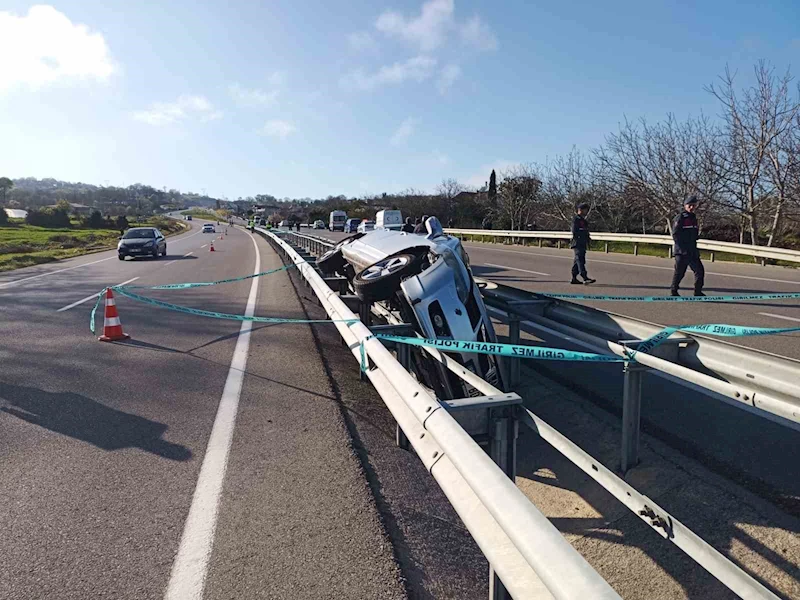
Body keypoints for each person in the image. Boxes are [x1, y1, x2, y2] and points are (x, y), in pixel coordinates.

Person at [670, 195, 704, 297]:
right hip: (682, 251)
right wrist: (681, 247)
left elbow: (693, 233)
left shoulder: (693, 218)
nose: (692, 207)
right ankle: (674, 290)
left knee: (700, 271)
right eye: (690, 205)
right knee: (680, 272)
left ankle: (697, 292)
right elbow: (675, 234)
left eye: (694, 205)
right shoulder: (680, 217)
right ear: (685, 206)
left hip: (692, 250)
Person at [570, 203, 596, 284]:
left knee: (577, 261)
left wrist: (588, 239)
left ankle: (574, 278)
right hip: (577, 243)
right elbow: (574, 231)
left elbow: (586, 231)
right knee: (580, 260)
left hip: (583, 243)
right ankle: (584, 276)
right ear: (580, 210)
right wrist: (579, 237)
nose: (586, 211)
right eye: (584, 209)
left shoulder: (583, 221)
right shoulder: (576, 219)